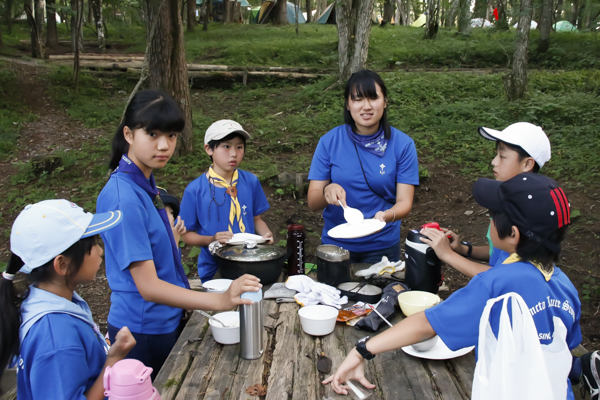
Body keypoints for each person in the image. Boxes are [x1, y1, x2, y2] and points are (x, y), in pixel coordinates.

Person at [324, 172, 582, 400]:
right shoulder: (564, 286)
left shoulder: (498, 284)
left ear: (513, 234)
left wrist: (361, 351)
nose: (489, 221)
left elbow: (426, 324)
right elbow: (565, 347)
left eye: (492, 216)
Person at [96, 91, 262, 378]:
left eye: (171, 136)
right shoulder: (124, 196)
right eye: (152, 134)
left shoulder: (146, 183)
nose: (164, 145)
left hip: (164, 319)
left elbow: (151, 253)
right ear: (129, 134)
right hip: (143, 329)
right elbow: (148, 287)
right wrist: (219, 302)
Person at [0, 199, 136, 400]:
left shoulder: (47, 301)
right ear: (62, 264)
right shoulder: (57, 338)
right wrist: (113, 360)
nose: (100, 251)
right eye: (92, 245)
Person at [307, 69, 419, 263]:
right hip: (336, 245)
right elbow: (313, 202)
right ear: (348, 105)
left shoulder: (402, 144)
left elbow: (404, 202)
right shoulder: (330, 142)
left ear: (384, 102)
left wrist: (385, 215)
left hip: (382, 244)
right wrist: (327, 189)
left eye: (373, 98)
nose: (366, 106)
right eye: (358, 99)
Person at [445, 122, 551, 278]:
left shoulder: (528, 212)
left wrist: (447, 255)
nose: (493, 162)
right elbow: (499, 252)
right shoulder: (501, 200)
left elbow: (507, 275)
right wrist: (464, 249)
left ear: (527, 163)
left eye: (502, 156)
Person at [180, 119, 273, 283]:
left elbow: (256, 219)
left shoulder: (250, 181)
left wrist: (265, 235)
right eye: (226, 146)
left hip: (249, 263)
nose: (234, 153)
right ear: (209, 149)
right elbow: (186, 235)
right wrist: (212, 239)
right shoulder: (195, 190)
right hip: (215, 268)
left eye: (239, 147)